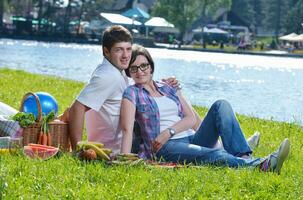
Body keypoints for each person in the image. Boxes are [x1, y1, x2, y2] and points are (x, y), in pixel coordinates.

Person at [120, 44, 291, 174]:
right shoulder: (132, 93)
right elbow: (127, 129)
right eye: (133, 68)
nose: (139, 71)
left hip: (190, 138)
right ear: (129, 72)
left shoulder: (167, 86)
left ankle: (244, 157)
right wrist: (123, 159)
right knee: (211, 155)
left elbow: (190, 118)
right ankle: (263, 165)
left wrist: (169, 130)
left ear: (150, 66)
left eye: (143, 65)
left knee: (220, 105)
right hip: (165, 147)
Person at [68, 25, 178, 153]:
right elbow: (77, 108)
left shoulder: (116, 70)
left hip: (132, 141)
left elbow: (140, 78)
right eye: (119, 50)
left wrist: (165, 84)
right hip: (120, 149)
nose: (126, 55)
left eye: (128, 49)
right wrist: (77, 150)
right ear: (106, 51)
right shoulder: (108, 76)